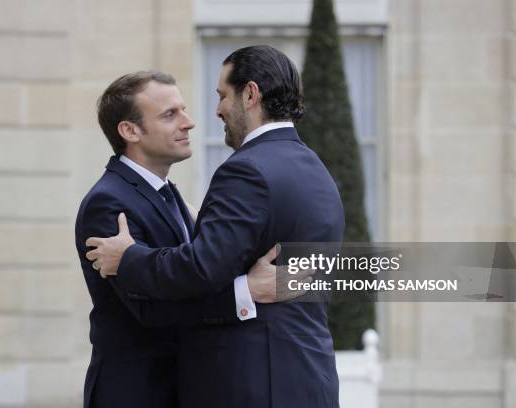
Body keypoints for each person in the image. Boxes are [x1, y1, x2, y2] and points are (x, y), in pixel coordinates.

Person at [86, 46, 345, 408]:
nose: (209, 113)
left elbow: (201, 267)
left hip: (257, 383)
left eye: (222, 95)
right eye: (170, 114)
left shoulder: (247, 170)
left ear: (250, 94)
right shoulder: (313, 167)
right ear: (130, 130)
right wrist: (246, 288)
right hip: (302, 377)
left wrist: (128, 259)